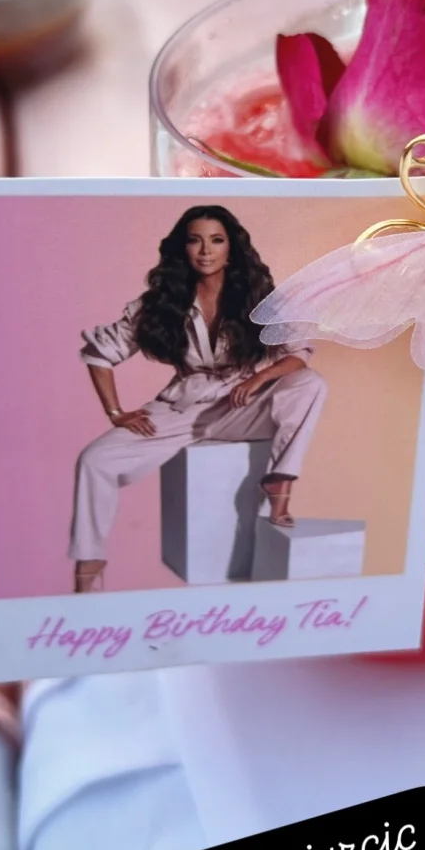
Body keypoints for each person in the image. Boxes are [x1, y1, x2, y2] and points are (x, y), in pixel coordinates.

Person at [70, 206, 326, 593]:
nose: (205, 251)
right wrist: (116, 412)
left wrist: (259, 377)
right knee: (95, 459)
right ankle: (90, 563)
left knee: (310, 384)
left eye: (216, 240)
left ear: (231, 249)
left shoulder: (259, 299)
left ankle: (279, 483)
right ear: (183, 248)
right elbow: (99, 353)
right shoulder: (159, 303)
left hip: (242, 407)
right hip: (181, 411)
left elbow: (298, 352)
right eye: (195, 240)